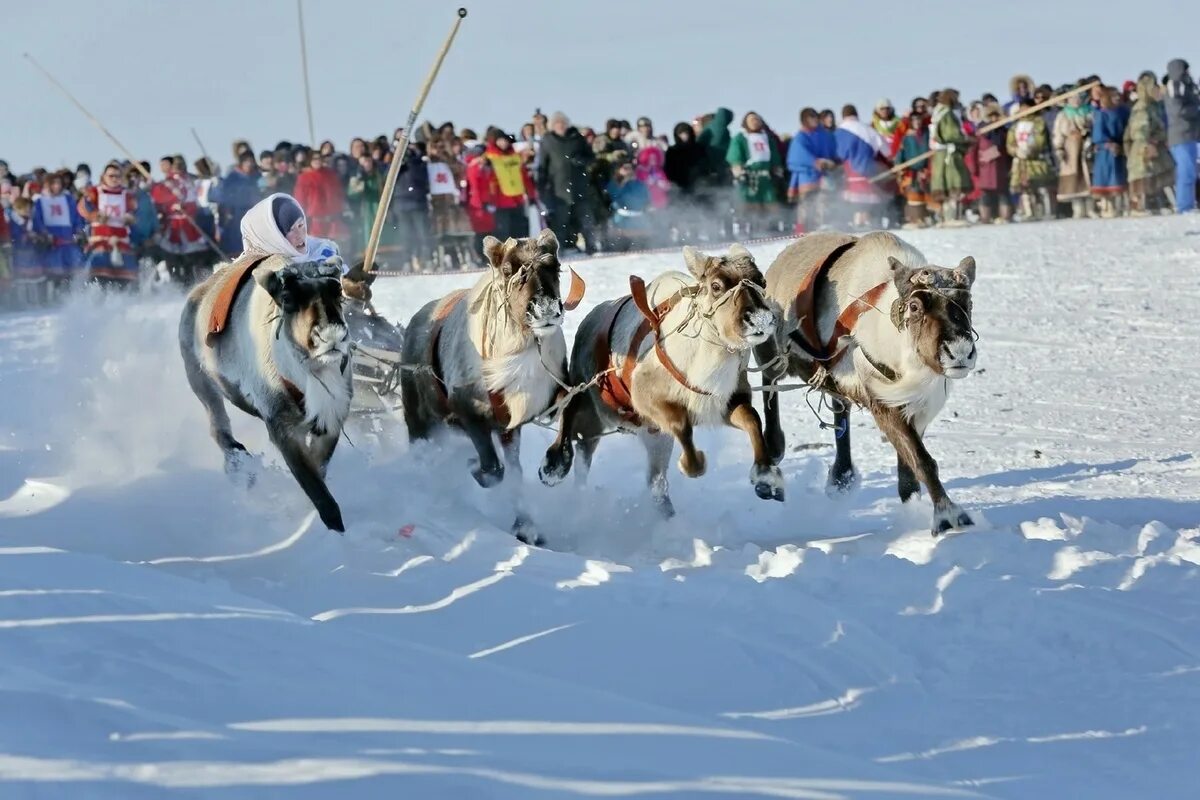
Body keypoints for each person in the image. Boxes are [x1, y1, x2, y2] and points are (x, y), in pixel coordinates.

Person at [537, 111, 596, 253]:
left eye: (563, 123)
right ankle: (559, 249)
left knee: (585, 219)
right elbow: (542, 166)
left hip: (579, 186)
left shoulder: (577, 138)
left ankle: (591, 247)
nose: (561, 126)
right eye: (557, 123)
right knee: (560, 222)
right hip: (558, 189)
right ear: (552, 126)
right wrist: (541, 185)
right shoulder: (548, 140)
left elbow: (591, 157)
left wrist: (581, 160)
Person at [238, 192, 343, 268]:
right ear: (274, 238)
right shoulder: (265, 276)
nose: (299, 235)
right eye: (290, 230)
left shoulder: (323, 250)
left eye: (301, 225)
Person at [77, 161, 138, 286]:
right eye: (111, 176)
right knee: (99, 274)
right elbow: (83, 208)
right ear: (104, 176)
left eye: (117, 176)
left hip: (121, 241)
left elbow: (135, 211)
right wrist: (97, 215)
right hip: (101, 240)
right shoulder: (95, 192)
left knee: (125, 275)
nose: (114, 179)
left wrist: (130, 217)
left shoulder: (126, 194)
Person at [151, 157, 208, 283]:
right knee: (172, 257)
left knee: (190, 257)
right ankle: (175, 282)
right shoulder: (164, 183)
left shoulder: (187, 180)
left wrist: (184, 206)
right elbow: (159, 199)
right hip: (172, 226)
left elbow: (192, 199)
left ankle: (189, 281)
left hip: (186, 223)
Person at [834, 104, 892, 227]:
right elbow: (887, 151)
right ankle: (868, 221)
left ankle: (857, 221)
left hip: (849, 171)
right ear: (856, 114)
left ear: (843, 115)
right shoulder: (868, 129)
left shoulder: (839, 132)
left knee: (855, 200)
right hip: (868, 169)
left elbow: (837, 154)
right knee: (867, 198)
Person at [1125, 71, 1174, 215]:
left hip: (1156, 145)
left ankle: (1158, 203)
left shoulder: (1154, 106)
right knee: (1143, 175)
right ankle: (1140, 206)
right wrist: (1147, 144)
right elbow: (1139, 130)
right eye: (1154, 87)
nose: (1157, 90)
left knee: (1159, 175)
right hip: (1144, 149)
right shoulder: (1142, 107)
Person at [726, 111, 782, 233]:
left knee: (769, 201)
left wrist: (777, 171)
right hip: (749, 176)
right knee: (748, 203)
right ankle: (746, 229)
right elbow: (735, 157)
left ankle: (768, 227)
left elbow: (775, 156)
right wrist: (739, 173)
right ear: (746, 123)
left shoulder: (767, 137)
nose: (755, 122)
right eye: (752, 120)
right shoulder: (740, 138)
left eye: (757, 119)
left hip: (766, 176)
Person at [786, 107, 838, 233]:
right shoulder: (800, 137)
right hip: (807, 176)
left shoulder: (824, 134)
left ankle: (822, 224)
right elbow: (798, 154)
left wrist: (832, 161)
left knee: (824, 201)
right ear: (804, 120)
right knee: (806, 203)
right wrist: (816, 162)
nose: (814, 120)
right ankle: (802, 229)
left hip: (824, 174)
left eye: (815, 117)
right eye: (810, 117)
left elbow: (833, 149)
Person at [929, 89, 974, 226]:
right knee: (953, 184)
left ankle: (946, 217)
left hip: (940, 155)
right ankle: (951, 218)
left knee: (945, 185)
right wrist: (966, 139)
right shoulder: (947, 114)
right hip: (949, 155)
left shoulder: (937, 113)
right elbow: (950, 134)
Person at [32, 171, 85, 284]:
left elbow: (76, 217)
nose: (57, 186)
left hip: (68, 241)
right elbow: (38, 220)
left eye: (59, 183)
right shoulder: (40, 201)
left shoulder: (68, 199)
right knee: (53, 272)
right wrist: (45, 233)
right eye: (54, 183)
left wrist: (79, 231)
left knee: (72, 271)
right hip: (52, 243)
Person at [1007, 97, 1056, 219]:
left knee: (1041, 186)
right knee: (1025, 189)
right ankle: (1029, 213)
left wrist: (1030, 150)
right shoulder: (1015, 126)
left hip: (1036, 160)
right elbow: (1010, 142)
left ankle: (1047, 212)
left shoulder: (1039, 123)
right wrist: (1016, 151)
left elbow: (1040, 139)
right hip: (1021, 162)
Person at [484, 131, 538, 240]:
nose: (503, 144)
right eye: (500, 141)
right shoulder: (490, 158)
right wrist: (488, 200)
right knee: (503, 231)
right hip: (500, 201)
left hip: (518, 199)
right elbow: (487, 181)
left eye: (505, 141)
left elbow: (525, 177)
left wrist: (531, 195)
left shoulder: (516, 157)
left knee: (519, 229)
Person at [1163, 58, 1200, 213]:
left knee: (1191, 171)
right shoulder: (1175, 86)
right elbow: (1178, 110)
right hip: (1181, 135)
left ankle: (1188, 203)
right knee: (1186, 171)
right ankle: (1184, 206)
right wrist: (1196, 109)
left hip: (1190, 134)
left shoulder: (1187, 86)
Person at [293, 151, 349, 246]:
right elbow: (300, 199)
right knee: (318, 248)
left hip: (333, 219)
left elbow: (339, 193)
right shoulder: (304, 177)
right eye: (314, 159)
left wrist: (342, 207)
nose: (317, 161)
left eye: (319, 158)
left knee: (338, 247)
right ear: (309, 161)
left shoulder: (331, 175)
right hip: (316, 221)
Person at [212, 151, 262, 253]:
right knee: (237, 244)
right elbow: (224, 198)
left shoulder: (257, 177)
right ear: (241, 163)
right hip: (236, 215)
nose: (249, 164)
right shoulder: (233, 178)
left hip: (254, 213)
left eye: (251, 161)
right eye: (246, 162)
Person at [1053, 91, 1093, 219]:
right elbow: (1058, 133)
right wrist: (1059, 148)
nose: (1076, 100)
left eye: (1078, 97)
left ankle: (1090, 208)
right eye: (1072, 98)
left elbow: (1093, 127)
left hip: (1085, 146)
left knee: (1088, 177)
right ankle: (1078, 209)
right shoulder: (1063, 115)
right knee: (1074, 179)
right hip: (1070, 149)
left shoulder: (1088, 112)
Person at [1091, 88, 1129, 218]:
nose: (1117, 99)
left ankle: (1121, 206)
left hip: (1120, 148)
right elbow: (1098, 133)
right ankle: (1107, 206)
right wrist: (1107, 143)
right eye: (1113, 97)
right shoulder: (1102, 114)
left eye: (1118, 96)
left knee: (1119, 177)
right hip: (1106, 151)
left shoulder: (1122, 112)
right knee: (1107, 178)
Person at [974, 106, 1012, 224]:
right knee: (986, 194)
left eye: (996, 116)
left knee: (1003, 193)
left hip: (1001, 168)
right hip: (985, 169)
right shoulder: (982, 132)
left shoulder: (1003, 131)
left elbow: (1006, 148)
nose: (994, 119)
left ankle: (1005, 217)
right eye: (991, 116)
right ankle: (985, 218)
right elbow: (974, 152)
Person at [606, 156, 652, 250]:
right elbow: (613, 197)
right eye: (625, 168)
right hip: (622, 221)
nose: (628, 171)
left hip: (639, 220)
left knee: (644, 247)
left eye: (630, 168)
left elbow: (646, 199)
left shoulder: (639, 183)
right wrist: (623, 183)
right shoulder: (614, 183)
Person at [895, 111, 931, 227]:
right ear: (911, 122)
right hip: (911, 171)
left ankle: (925, 218)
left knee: (926, 194)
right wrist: (899, 166)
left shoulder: (927, 133)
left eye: (919, 119)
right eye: (914, 120)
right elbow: (901, 153)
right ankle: (914, 219)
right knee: (913, 195)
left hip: (925, 169)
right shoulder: (907, 137)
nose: (917, 122)